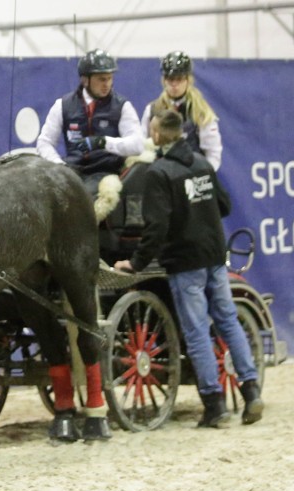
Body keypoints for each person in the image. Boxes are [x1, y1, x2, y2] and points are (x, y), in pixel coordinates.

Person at [114, 110, 264, 428]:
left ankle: (215, 406)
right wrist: (198, 209)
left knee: (196, 333)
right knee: (227, 322)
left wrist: (136, 263)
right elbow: (224, 205)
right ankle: (251, 391)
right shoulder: (201, 163)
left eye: (152, 130)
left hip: (185, 263)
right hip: (213, 256)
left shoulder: (159, 173)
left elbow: (156, 227)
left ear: (158, 134)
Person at [37, 48, 144, 220]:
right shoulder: (62, 105)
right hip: (72, 171)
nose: (107, 84)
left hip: (105, 171)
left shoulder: (122, 106)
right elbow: (44, 142)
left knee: (81, 198)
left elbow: (138, 145)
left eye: (110, 78)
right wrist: (59, 165)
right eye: (102, 79)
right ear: (85, 80)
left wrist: (103, 142)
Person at [141, 51, 222, 171]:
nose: (174, 84)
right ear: (164, 80)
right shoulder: (152, 110)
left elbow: (213, 152)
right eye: (170, 79)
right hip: (160, 174)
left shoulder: (201, 111)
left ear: (188, 80)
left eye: (179, 79)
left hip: (191, 174)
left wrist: (205, 175)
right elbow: (142, 144)